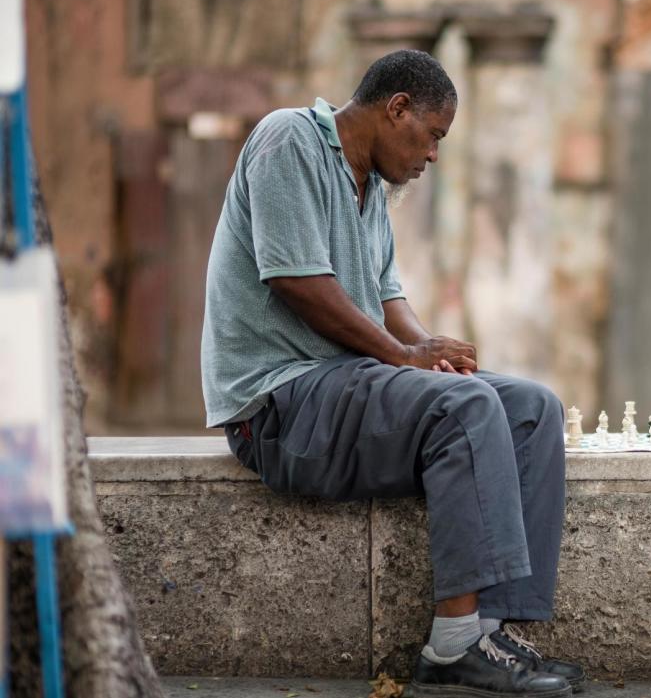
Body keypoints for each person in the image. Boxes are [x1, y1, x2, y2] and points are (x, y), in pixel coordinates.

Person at [200, 49, 582, 698]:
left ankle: (491, 629)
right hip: (277, 404)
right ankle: (454, 644)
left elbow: (384, 298)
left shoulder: (371, 186)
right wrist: (405, 359)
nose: (433, 154)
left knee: (531, 407)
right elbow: (297, 280)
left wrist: (427, 346)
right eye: (432, 134)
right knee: (463, 408)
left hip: (343, 390)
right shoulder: (288, 137)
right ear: (396, 107)